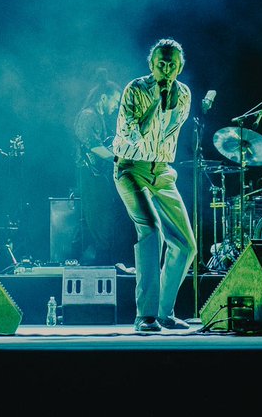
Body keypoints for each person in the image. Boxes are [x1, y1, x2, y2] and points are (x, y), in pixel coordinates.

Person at [113, 38, 197, 332]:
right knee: (151, 231)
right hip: (130, 168)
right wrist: (158, 103)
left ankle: (164, 312)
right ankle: (144, 317)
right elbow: (131, 131)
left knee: (186, 244)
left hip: (161, 172)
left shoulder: (184, 94)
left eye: (172, 63)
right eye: (160, 63)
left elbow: (169, 134)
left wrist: (168, 100)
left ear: (180, 66)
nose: (166, 68)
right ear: (152, 64)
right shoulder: (135, 89)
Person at [72, 74, 129, 265]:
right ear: (103, 98)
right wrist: (119, 159)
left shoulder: (99, 118)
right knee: (98, 223)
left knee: (101, 222)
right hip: (90, 177)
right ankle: (95, 263)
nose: (116, 106)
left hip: (97, 178)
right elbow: (94, 146)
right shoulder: (88, 116)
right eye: (115, 101)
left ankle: (96, 260)